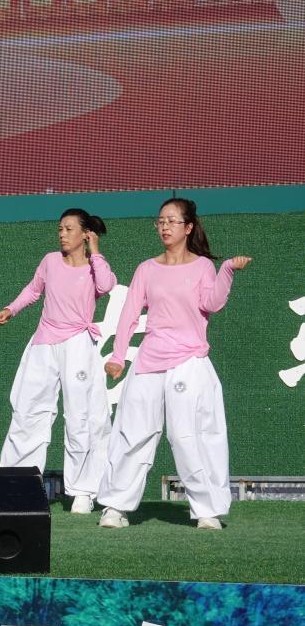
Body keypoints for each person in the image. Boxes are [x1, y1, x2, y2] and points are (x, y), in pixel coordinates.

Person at [98, 198, 251, 530]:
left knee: (190, 436)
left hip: (190, 362)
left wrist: (226, 270)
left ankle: (207, 510)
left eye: (172, 221)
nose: (164, 227)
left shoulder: (203, 267)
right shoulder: (146, 269)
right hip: (149, 361)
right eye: (160, 221)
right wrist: (117, 357)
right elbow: (129, 315)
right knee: (133, 433)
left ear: (189, 227)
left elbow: (212, 303)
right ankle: (115, 507)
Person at [0, 209, 116, 514]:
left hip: (78, 345)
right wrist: (12, 308)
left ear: (85, 234)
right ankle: (18, 485)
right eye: (60, 229)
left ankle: (84, 491)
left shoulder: (95, 267)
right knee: (28, 411)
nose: (62, 234)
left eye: (69, 229)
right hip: (43, 344)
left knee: (81, 416)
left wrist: (96, 250)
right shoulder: (50, 261)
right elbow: (33, 290)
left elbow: (106, 286)